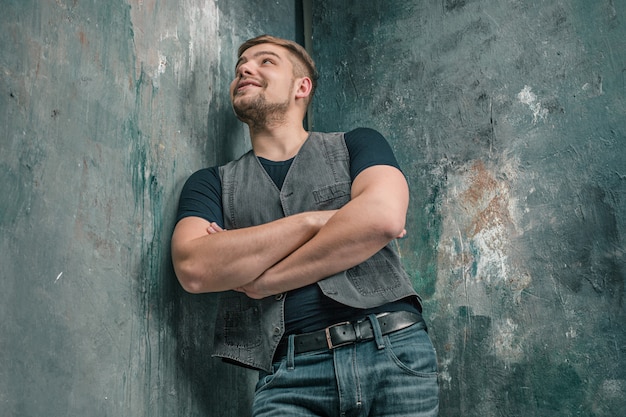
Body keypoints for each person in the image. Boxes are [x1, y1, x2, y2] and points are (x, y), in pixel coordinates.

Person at [171, 34, 439, 416]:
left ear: (302, 86)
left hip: (393, 351)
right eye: (240, 66)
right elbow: (195, 268)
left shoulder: (358, 145)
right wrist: (318, 220)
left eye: (265, 61)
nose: (245, 68)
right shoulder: (210, 183)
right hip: (288, 378)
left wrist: (265, 281)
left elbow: (382, 217)